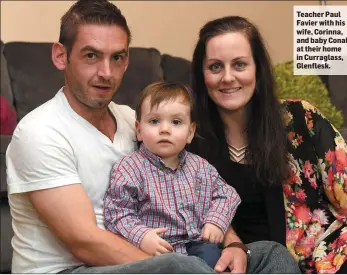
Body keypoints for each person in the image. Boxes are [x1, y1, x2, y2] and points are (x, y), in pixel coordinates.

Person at [4, 1, 216, 273]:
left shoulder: (134, 121)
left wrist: (232, 245)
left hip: (139, 260)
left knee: (265, 253)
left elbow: (196, 183)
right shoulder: (39, 132)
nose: (106, 72)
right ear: (60, 56)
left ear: (126, 61)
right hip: (66, 270)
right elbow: (84, 242)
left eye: (116, 57)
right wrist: (179, 266)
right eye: (91, 55)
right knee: (181, 267)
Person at [188, 15, 347, 274]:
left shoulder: (301, 118)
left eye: (240, 64)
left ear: (257, 68)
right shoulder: (188, 139)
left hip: (328, 256)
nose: (228, 77)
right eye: (215, 67)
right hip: (249, 264)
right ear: (202, 75)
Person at [103, 81, 241, 269]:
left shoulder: (200, 167)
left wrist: (216, 222)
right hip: (159, 251)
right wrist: (141, 236)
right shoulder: (129, 169)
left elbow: (227, 194)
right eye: (154, 121)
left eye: (176, 122)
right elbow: (117, 213)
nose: (165, 129)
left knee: (230, 256)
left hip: (200, 245)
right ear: (139, 130)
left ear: (190, 132)